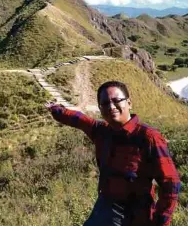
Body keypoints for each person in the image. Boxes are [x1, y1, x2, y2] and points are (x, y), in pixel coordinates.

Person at [45, 81, 181, 226]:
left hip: (134, 215)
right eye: (105, 103)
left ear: (129, 103)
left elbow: (171, 183)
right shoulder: (102, 131)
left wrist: (160, 221)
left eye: (117, 101)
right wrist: (56, 109)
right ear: (100, 108)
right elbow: (79, 120)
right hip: (104, 206)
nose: (111, 106)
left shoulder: (148, 137)